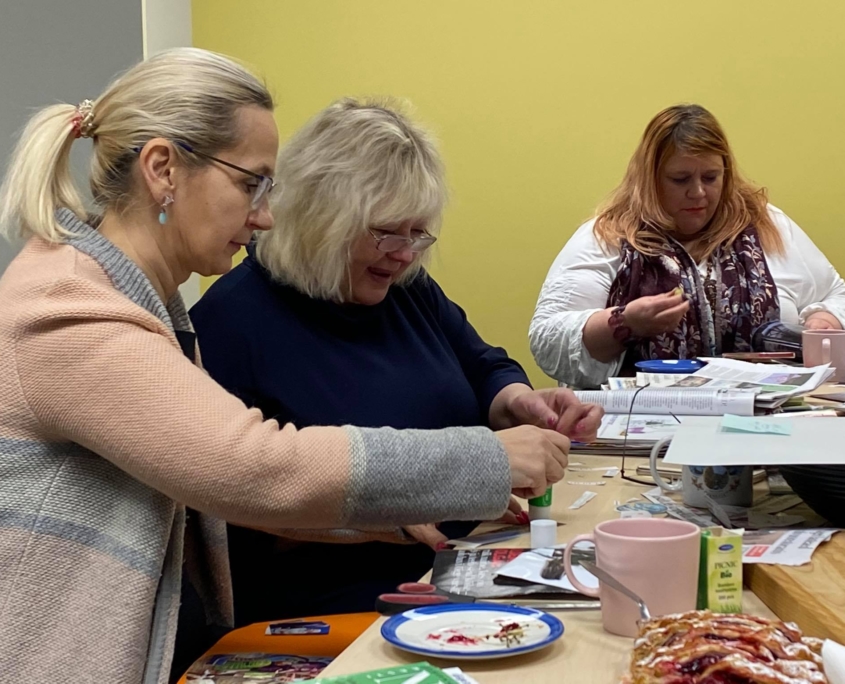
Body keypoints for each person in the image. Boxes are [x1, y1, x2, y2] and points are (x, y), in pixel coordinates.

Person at [0, 51, 576, 683]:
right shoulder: (67, 309)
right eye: (251, 184)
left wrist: (374, 519)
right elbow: (251, 467)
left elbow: (208, 495)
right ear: (163, 169)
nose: (265, 216)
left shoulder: (134, 298)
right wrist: (485, 459)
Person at [190, 99, 603, 623]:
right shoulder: (230, 323)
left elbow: (483, 366)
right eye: (386, 231)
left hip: (458, 567)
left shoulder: (405, 288)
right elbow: (232, 501)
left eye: (418, 233)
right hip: (340, 608)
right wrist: (398, 507)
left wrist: (519, 402)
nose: (405, 253)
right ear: (320, 218)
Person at [530, 104, 845, 389]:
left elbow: (836, 295)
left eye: (711, 177)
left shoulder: (765, 226)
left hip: (762, 419)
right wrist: (624, 324)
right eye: (680, 179)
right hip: (639, 421)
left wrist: (826, 320)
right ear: (650, 179)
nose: (698, 193)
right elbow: (547, 340)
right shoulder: (608, 236)